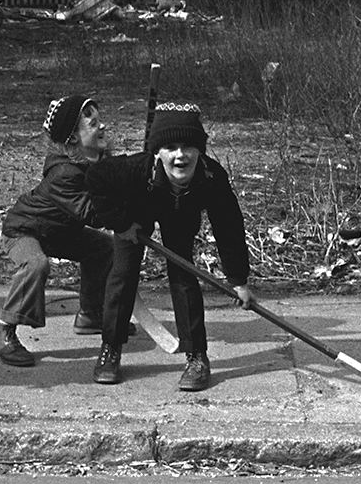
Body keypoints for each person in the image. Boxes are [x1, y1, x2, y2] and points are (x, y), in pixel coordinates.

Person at [85, 103, 255, 389]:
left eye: (188, 146)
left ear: (200, 150)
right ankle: (110, 349)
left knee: (183, 274)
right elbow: (95, 179)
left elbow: (229, 228)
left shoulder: (212, 178)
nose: (180, 155)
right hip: (135, 209)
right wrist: (121, 222)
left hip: (181, 212)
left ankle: (197, 357)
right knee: (123, 274)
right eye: (170, 147)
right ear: (157, 152)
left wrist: (238, 280)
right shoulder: (135, 169)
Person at [0, 94, 136, 369]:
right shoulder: (64, 173)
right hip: (25, 229)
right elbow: (90, 213)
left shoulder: (98, 162)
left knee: (104, 249)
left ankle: (91, 314)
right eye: (93, 124)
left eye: (100, 121)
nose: (102, 127)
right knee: (35, 265)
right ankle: (4, 332)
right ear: (72, 139)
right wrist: (125, 210)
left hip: (60, 232)